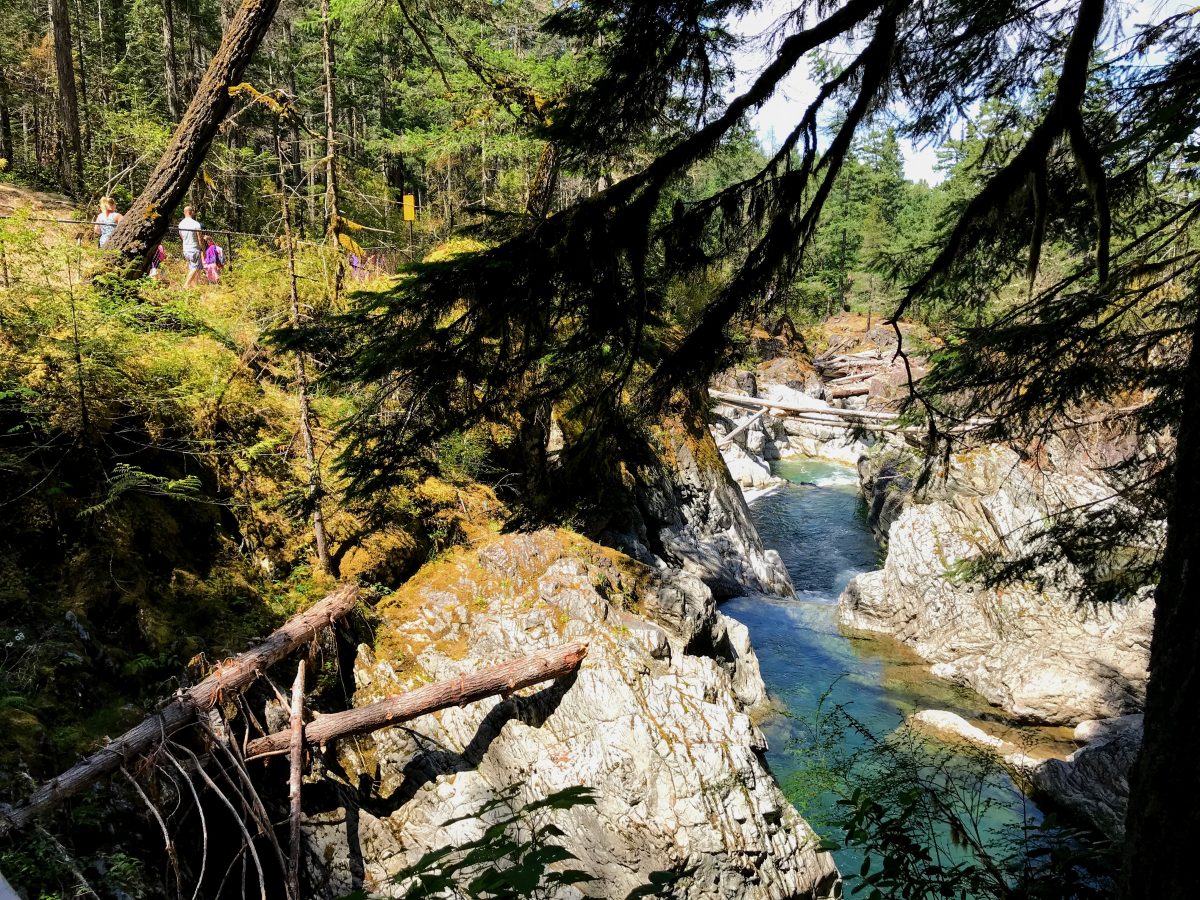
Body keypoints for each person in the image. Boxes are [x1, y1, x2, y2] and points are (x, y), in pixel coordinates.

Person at [178, 206, 205, 289]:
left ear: (184, 212)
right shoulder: (195, 224)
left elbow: (181, 237)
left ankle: (195, 286)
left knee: (194, 268)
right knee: (195, 267)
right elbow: (200, 238)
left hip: (185, 249)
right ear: (191, 212)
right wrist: (203, 249)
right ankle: (186, 285)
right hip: (194, 249)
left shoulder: (181, 224)